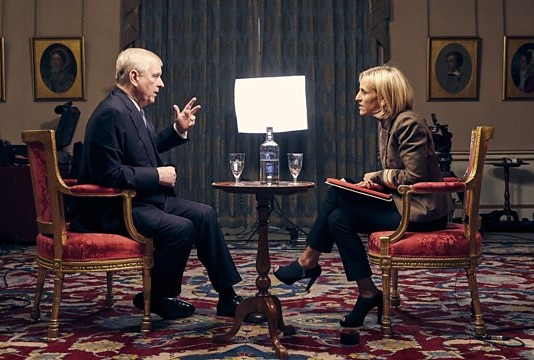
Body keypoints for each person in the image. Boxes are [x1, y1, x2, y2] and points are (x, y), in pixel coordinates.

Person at [70, 48, 243, 321]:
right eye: (157, 76)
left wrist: (177, 131)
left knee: (204, 214)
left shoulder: (132, 107)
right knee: (181, 228)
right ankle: (159, 296)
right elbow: (107, 174)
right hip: (115, 207)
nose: (161, 83)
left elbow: (144, 150)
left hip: (141, 199)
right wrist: (157, 176)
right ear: (135, 77)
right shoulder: (111, 112)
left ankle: (227, 296)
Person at [273, 65, 453, 328]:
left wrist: (379, 177)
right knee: (338, 219)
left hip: (422, 212)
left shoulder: (408, 123)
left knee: (336, 193)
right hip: (403, 205)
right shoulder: (389, 124)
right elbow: (401, 175)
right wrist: (373, 183)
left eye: (364, 91)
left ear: (384, 97)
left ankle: (308, 261)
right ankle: (368, 292)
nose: (357, 96)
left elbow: (414, 177)